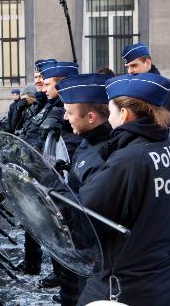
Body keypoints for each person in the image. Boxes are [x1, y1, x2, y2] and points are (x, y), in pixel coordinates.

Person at [77, 72, 170, 306]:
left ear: (124, 114)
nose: (109, 118)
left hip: (125, 289)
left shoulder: (130, 159)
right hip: (164, 283)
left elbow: (83, 217)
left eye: (111, 111)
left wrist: (85, 160)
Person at [53, 73, 114, 305]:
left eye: (69, 113)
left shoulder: (103, 153)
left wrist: (56, 194)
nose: (65, 118)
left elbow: (90, 216)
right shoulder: (89, 139)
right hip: (77, 247)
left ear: (90, 117)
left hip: (88, 252)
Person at [16, 59, 79, 280]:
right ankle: (40, 265)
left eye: (45, 80)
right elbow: (25, 130)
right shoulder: (44, 104)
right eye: (38, 78)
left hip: (51, 173)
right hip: (36, 169)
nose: (40, 82)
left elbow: (52, 141)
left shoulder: (60, 108)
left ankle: (60, 274)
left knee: (56, 225)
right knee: (37, 220)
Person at [122, 42, 170, 136]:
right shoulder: (130, 87)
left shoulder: (168, 87)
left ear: (148, 63)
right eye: (127, 67)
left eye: (134, 65)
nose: (130, 71)